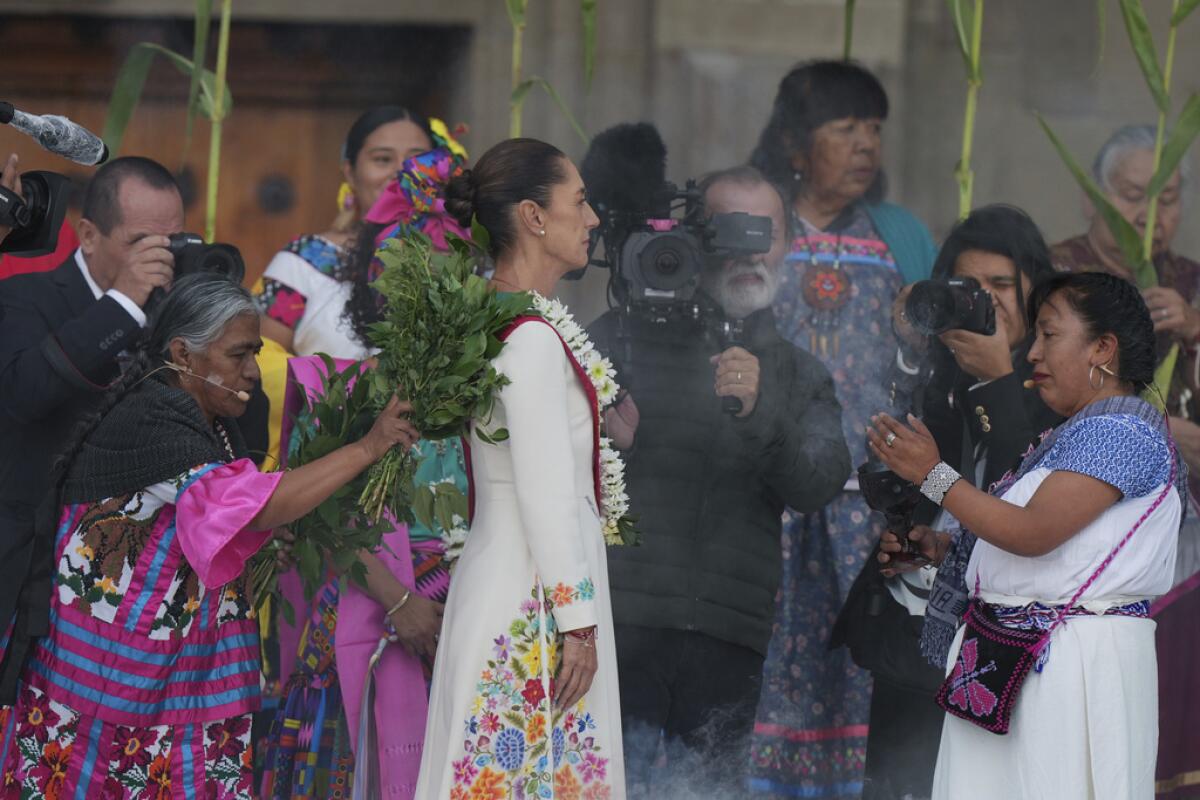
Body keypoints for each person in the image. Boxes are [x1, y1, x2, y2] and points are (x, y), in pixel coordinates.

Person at [0, 273, 420, 798]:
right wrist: (367, 448)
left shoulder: (211, 421)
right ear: (183, 353)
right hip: (110, 681)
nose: (251, 371)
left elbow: (222, 518)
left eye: (254, 354)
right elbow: (252, 506)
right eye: (238, 355)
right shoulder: (152, 419)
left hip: (169, 681)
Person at [586, 165, 850, 798]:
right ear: (695, 238)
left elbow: (817, 485)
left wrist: (762, 411)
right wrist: (608, 444)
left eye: (766, 232)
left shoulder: (797, 371)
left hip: (730, 641)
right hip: (620, 630)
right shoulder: (614, 338)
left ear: (789, 246)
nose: (749, 252)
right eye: (727, 230)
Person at [868, 271, 1184, 800]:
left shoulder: (1122, 431)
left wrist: (933, 474)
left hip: (1069, 669)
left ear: (1102, 348)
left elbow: (1034, 534)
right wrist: (940, 550)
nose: (1032, 352)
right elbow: (1050, 552)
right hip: (1019, 659)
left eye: (1049, 335)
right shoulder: (1074, 434)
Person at [258, 119, 471, 799]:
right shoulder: (343, 382)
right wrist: (400, 598)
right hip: (364, 603)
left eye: (448, 267)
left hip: (461, 619)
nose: (431, 284)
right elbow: (314, 505)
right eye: (411, 266)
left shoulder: (483, 379)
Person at [746, 58, 937, 797]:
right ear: (796, 144)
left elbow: (932, 363)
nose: (866, 145)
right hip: (773, 511)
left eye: (876, 129)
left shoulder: (901, 238)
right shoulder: (761, 228)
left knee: (859, 679)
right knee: (769, 678)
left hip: (869, 514)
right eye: (845, 127)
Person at [415, 138, 625, 798]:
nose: (592, 219)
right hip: (532, 596)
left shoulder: (493, 319)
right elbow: (547, 494)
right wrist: (579, 629)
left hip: (504, 573)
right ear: (535, 217)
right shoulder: (530, 337)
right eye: (580, 202)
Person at [833, 205, 1063, 799]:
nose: (983, 302)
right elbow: (892, 476)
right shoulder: (936, 372)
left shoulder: (1060, 386)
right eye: (968, 287)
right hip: (914, 632)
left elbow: (1027, 489)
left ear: (1036, 292)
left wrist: (996, 381)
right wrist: (905, 537)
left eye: (1002, 286)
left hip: (1005, 646)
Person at [1049, 125, 1200, 795]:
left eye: (1168, 199)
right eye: (1134, 196)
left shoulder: (1191, 285)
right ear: (1093, 199)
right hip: (1072, 533)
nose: (1150, 216)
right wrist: (1144, 427)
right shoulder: (1056, 278)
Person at [0, 156, 181, 668]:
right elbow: (24, 392)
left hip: (133, 584)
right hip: (29, 570)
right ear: (88, 235)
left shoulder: (173, 316)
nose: (159, 260)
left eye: (172, 243)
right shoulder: (22, 298)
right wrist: (123, 304)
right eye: (141, 243)